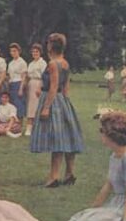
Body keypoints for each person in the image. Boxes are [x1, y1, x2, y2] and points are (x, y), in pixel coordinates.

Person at [30, 33, 85, 187]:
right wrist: (65, 102)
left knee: (57, 140)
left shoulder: (53, 64)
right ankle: (69, 173)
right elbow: (65, 87)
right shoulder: (65, 63)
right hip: (63, 101)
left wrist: (46, 107)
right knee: (68, 138)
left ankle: (53, 177)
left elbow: (54, 86)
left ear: (51, 46)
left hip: (53, 101)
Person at [25, 44, 46, 136]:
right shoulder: (31, 63)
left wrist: (39, 88)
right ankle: (29, 127)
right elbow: (28, 76)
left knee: (37, 106)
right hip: (31, 84)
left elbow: (44, 77)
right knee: (30, 106)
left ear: (40, 52)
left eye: (36, 52)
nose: (35, 53)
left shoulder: (42, 63)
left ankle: (39, 128)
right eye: (33, 52)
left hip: (38, 84)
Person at [6, 43, 28, 124]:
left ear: (19, 51)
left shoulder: (22, 62)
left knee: (19, 104)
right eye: (11, 51)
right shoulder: (11, 63)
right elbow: (9, 76)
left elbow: (24, 77)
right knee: (13, 104)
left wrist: (21, 88)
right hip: (12, 84)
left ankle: (20, 124)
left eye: (15, 51)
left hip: (18, 84)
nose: (13, 53)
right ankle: (14, 124)